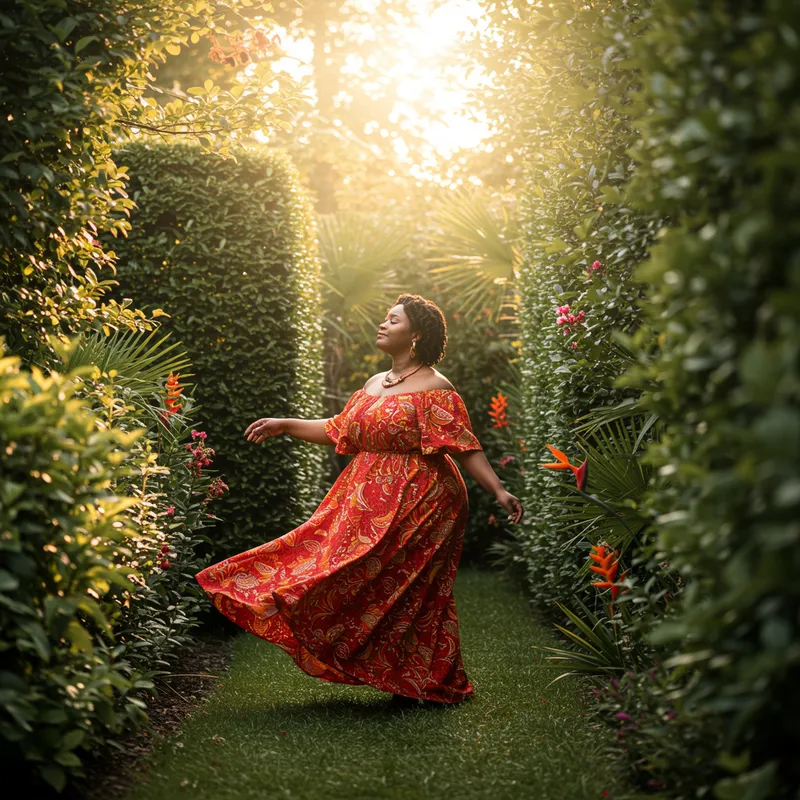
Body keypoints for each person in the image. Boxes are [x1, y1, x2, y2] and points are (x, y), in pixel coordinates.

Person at [195, 293, 524, 707]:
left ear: (416, 335)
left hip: (424, 501)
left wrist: (498, 490)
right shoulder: (373, 384)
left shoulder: (436, 388)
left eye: (394, 320)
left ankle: (421, 681)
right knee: (338, 567)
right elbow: (338, 429)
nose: (383, 324)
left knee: (410, 588)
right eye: (385, 318)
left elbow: (464, 447)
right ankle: (397, 672)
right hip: (365, 499)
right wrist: (286, 425)